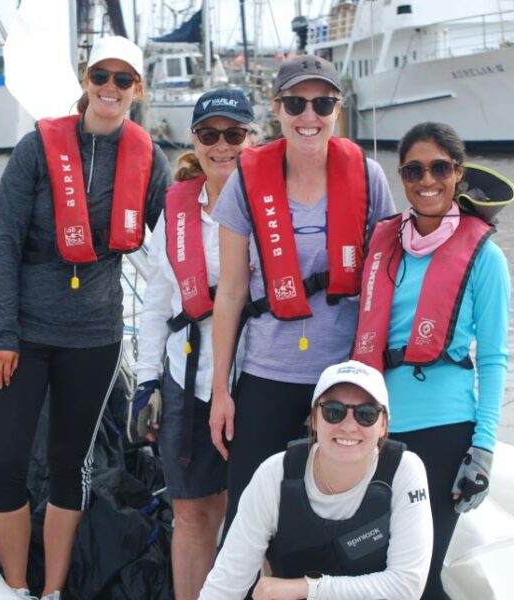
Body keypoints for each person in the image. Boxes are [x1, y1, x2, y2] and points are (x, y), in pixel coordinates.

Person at [0, 36, 170, 600]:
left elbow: (177, 241)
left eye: (123, 79)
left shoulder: (149, 160)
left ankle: (54, 591)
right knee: (4, 464)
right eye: (101, 76)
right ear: (86, 80)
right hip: (23, 334)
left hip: (93, 337)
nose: (110, 88)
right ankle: (17, 586)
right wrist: (4, 333)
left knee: (71, 466)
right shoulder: (34, 150)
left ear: (137, 89)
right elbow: (6, 248)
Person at [209, 54, 395, 537]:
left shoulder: (369, 177)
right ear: (276, 109)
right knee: (246, 516)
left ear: (338, 109)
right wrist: (220, 390)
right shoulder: (246, 180)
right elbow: (230, 292)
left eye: (322, 104)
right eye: (295, 103)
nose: (308, 116)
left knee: (333, 520)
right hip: (267, 373)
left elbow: (386, 283)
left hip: (343, 380)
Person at [352, 121, 511, 599]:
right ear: (401, 176)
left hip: (445, 433)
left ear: (458, 173)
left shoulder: (486, 258)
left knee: (420, 577)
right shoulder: (382, 244)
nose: (427, 180)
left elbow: (495, 359)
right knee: (371, 566)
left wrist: (482, 450)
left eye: (440, 168)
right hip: (376, 431)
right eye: (413, 170)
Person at [128, 88, 256, 600]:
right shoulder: (177, 209)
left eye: (234, 134)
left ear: (251, 138)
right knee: (191, 514)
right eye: (209, 134)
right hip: (188, 377)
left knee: (258, 513)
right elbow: (157, 304)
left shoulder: (274, 203)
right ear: (195, 141)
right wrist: (146, 383)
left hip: (257, 376)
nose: (222, 145)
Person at [199, 360, 433, 600]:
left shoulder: (404, 470)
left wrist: (307, 588)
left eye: (366, 414)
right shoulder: (275, 473)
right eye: (334, 411)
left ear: (383, 425)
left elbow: (406, 587)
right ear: (314, 419)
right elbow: (227, 582)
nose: (349, 427)